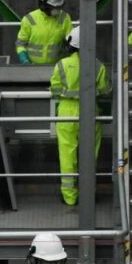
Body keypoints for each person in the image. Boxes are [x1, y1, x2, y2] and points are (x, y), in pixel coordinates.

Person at [50, 26, 111, 206]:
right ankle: (88, 195)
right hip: (90, 111)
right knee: (89, 155)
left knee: (67, 155)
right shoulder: (98, 65)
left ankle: (69, 197)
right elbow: (106, 91)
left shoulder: (61, 64)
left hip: (67, 112)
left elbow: (54, 90)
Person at [15, 0, 72, 65]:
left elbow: (72, 43)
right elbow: (20, 44)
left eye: (58, 7)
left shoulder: (64, 18)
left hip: (58, 68)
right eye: (53, 7)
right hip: (33, 67)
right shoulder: (29, 19)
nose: (57, 9)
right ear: (43, 5)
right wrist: (24, 60)